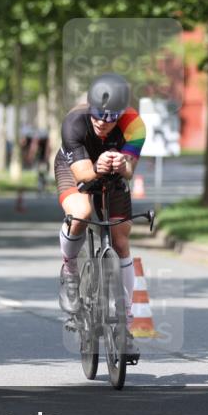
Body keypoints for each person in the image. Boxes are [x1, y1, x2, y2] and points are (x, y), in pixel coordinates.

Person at [54, 73, 146, 356]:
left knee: (120, 240)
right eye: (97, 116)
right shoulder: (74, 122)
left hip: (113, 173)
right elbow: (82, 174)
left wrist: (122, 164)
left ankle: (125, 324)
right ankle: (70, 269)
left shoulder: (135, 126)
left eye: (109, 118)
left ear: (121, 114)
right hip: (76, 168)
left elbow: (130, 170)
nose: (102, 123)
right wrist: (100, 164)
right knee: (81, 211)